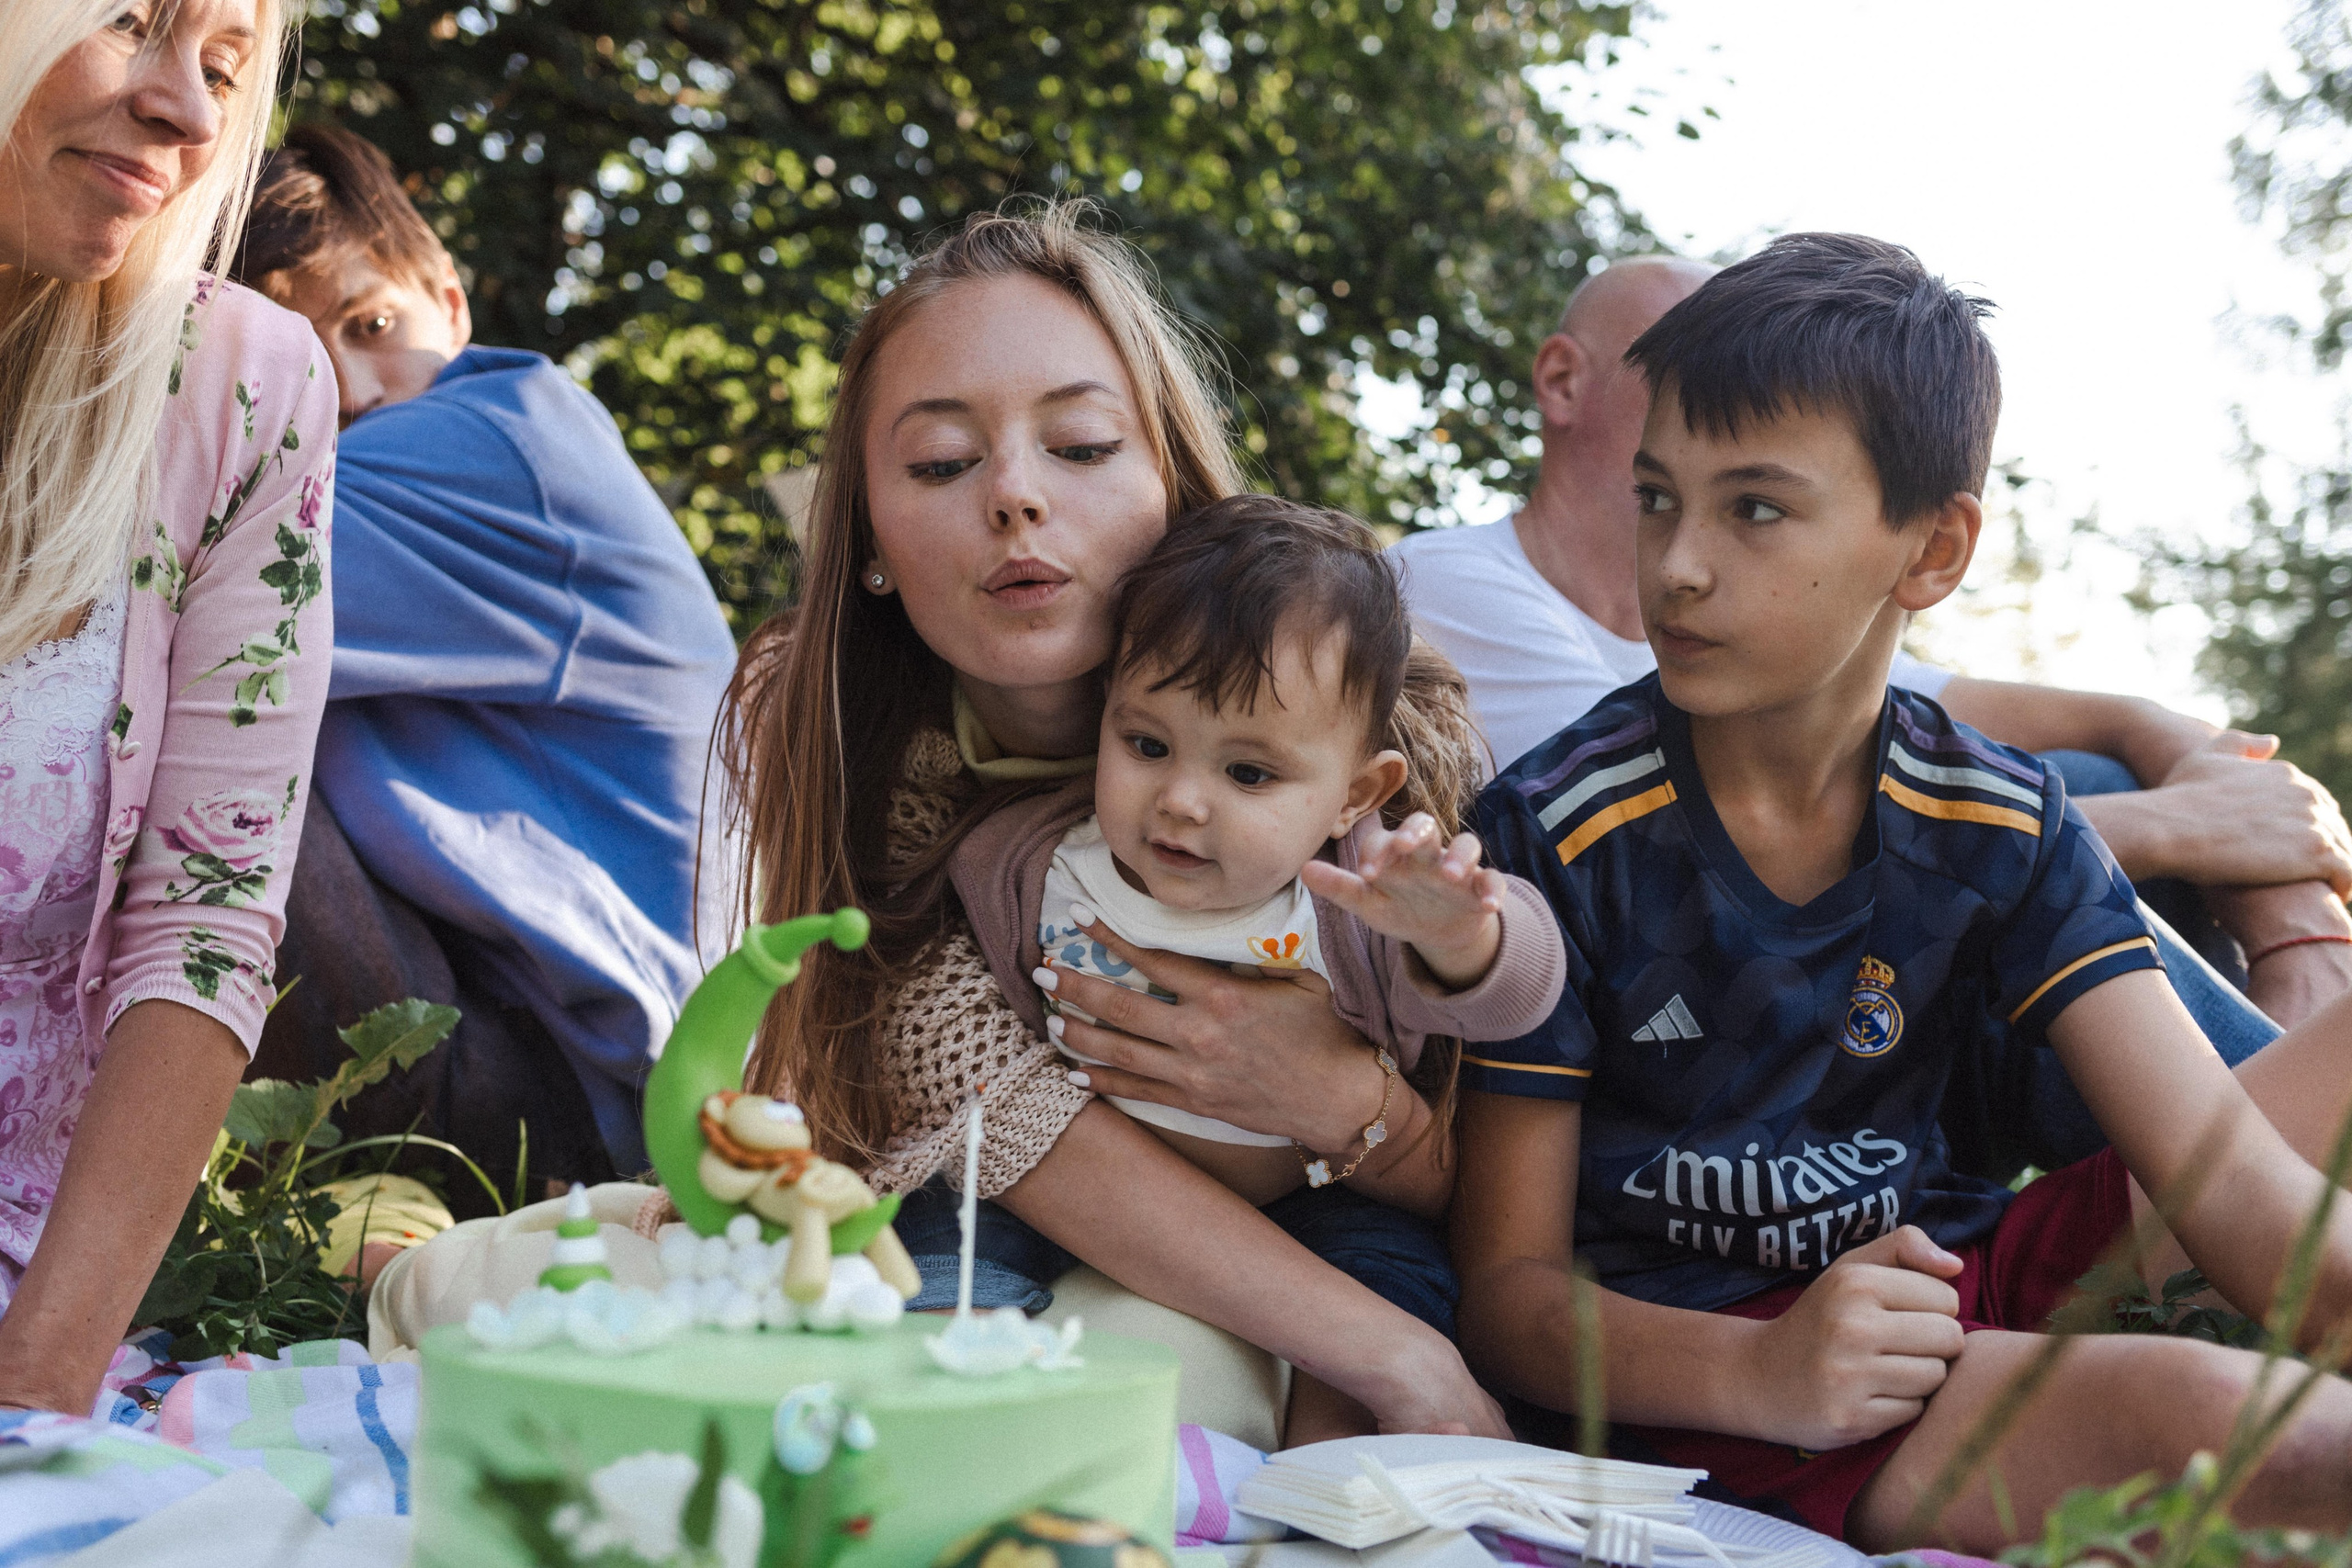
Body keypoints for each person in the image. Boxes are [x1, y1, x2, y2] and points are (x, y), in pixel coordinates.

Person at [1452, 234, 2352, 1551]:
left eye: (1753, 506)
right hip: (1734, 1373)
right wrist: (1757, 1376)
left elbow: (2231, 1190)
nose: (1680, 563)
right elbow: (1508, 1295)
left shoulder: (1998, 814)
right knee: (2258, 1432)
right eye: (1657, 497)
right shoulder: (1557, 829)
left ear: (1931, 550)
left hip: (1959, 1276)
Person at [715, 201, 1507, 1435]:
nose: (1015, 497)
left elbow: (1500, 1119)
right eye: (939, 463)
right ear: (866, 532)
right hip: (1012, 1223)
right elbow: (1007, 1123)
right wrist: (1403, 1356)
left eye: (1082, 445)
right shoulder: (855, 761)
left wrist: (1349, 1104)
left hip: (1351, 1212)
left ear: (1174, 480)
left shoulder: (1382, 725)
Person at [1392, 256, 2352, 1040]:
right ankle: (2290, 1132)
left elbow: (2093, 719)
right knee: (2064, 813)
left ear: (1929, 552)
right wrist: (2186, 825)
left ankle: (2286, 1095)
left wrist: (2292, 921)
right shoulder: (1446, 586)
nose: (1741, 382)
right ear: (1565, 380)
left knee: (2086, 772)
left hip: (1839, 1016)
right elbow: (1690, 852)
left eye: (1756, 506)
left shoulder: (1781, 637)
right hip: (1665, 1036)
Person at [944, 495, 1567, 1441]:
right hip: (1082, 1203)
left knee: (1391, 1288)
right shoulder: (1030, 860)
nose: (1182, 802)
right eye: (1145, 745)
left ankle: (1344, 1489)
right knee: (941, 1238)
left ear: (1351, 793)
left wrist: (1456, 935)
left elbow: (1525, 989)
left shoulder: (1353, 898)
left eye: (1249, 774)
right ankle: (945, 1408)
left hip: (1314, 1204)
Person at [230, 125, 739, 1199]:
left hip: (612, 1110)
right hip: (545, 1060)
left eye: (371, 325)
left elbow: (134, 563)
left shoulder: (510, 438)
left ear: (450, 304)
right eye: (286, 369)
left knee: (173, 725)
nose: (350, 390)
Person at [0, 0, 336, 1415]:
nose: (189, 115)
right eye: (133, 20)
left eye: (223, 65)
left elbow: (204, 914)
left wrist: (32, 1392)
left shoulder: (243, 387)